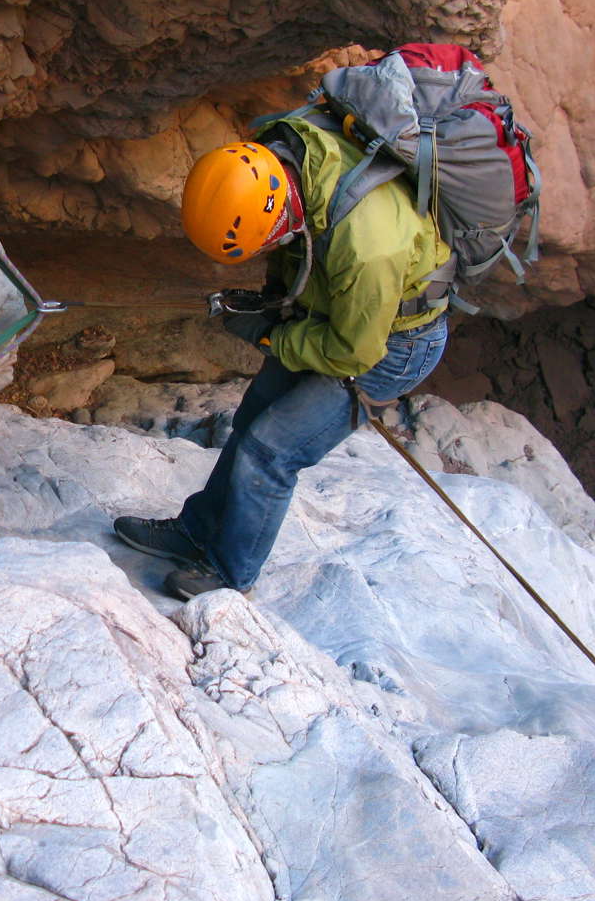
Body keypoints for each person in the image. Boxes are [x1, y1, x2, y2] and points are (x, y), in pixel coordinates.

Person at [113, 115, 452, 600]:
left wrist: (273, 337)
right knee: (251, 419)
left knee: (270, 450)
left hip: (391, 347)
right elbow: (300, 252)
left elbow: (353, 350)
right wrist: (271, 304)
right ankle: (196, 533)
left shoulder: (368, 248)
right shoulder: (279, 158)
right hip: (330, 316)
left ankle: (232, 575)